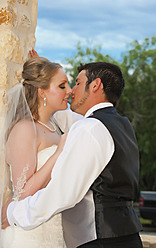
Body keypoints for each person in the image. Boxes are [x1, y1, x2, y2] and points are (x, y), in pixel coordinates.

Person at [2, 62, 143, 248]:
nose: (71, 90)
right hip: (127, 234)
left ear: (95, 85)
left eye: (76, 83)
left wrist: (13, 213)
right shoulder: (122, 125)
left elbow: (63, 193)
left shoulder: (88, 128)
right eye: (64, 85)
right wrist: (42, 74)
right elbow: (60, 115)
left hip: (100, 238)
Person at [0, 56, 82, 248]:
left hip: (54, 230)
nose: (70, 91)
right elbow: (22, 192)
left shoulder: (54, 127)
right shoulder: (25, 129)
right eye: (62, 86)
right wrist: (58, 153)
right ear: (42, 92)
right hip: (30, 235)